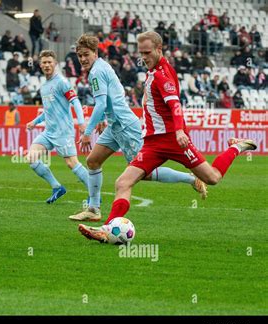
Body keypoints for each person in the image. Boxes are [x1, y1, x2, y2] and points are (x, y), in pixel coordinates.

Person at [78, 31, 257, 242]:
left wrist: (179, 130)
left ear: (159, 49)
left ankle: (235, 147)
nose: (143, 57)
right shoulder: (152, 71)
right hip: (152, 143)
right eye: (141, 53)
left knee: (213, 177)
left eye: (147, 52)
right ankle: (107, 229)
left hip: (174, 140)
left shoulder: (162, 75)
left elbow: (175, 105)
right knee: (123, 182)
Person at [69, 34, 206, 223]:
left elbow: (100, 104)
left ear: (95, 52)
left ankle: (191, 179)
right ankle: (93, 209)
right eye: (79, 56)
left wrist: (87, 132)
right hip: (115, 124)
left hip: (124, 125)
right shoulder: (101, 67)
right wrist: (103, 119)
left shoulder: (96, 72)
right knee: (93, 161)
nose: (83, 59)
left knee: (144, 174)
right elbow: (112, 97)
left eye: (86, 54)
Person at [25, 50, 87, 204]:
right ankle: (57, 187)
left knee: (72, 163)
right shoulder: (44, 87)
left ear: (55, 64)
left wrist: (81, 122)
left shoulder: (62, 82)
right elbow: (48, 111)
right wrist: (35, 122)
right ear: (40, 65)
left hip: (63, 131)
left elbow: (76, 102)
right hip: (49, 132)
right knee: (31, 157)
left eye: (49, 62)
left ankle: (94, 194)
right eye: (44, 62)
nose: (47, 65)